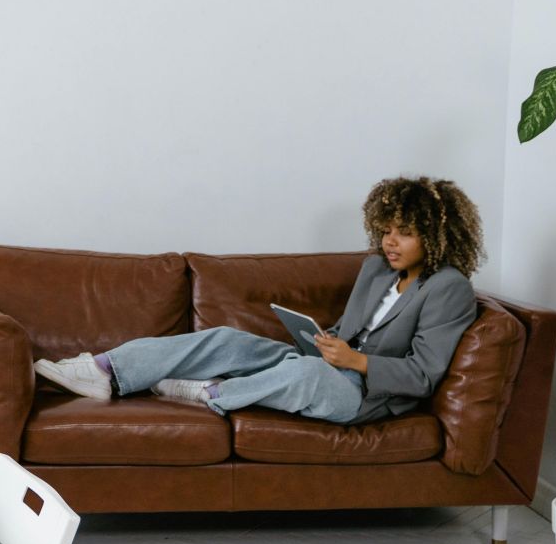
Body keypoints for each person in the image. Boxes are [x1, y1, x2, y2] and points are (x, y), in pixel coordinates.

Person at [34, 176, 485, 424]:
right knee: (228, 340)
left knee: (305, 371)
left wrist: (354, 362)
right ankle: (106, 371)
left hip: (366, 394)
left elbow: (424, 375)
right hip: (332, 365)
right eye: (386, 230)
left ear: (437, 236)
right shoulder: (375, 269)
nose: (390, 242)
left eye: (404, 234)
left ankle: (214, 394)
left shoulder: (449, 289)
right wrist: (325, 341)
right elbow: (352, 331)